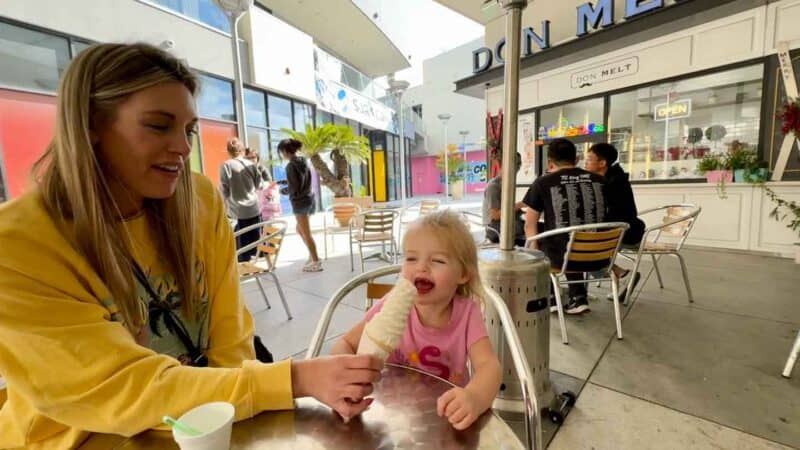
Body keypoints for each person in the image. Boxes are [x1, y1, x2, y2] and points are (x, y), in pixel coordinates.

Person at [0, 43, 381, 450]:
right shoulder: (19, 244)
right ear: (91, 124)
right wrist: (294, 378)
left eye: (188, 130)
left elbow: (230, 341)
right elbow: (121, 388)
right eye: (159, 126)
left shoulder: (197, 201)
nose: (183, 147)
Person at [332, 210, 502, 430]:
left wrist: (474, 397)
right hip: (389, 415)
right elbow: (346, 343)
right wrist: (341, 379)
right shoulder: (390, 304)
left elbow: (490, 366)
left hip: (445, 417)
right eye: (411, 258)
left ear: (463, 274)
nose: (421, 267)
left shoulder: (467, 314)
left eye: (438, 260)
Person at [523, 138, 606, 315]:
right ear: (576, 159)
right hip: (601, 255)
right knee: (572, 238)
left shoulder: (543, 182)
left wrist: (535, 252)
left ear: (549, 162)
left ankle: (551, 297)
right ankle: (578, 297)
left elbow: (530, 224)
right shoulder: (600, 180)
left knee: (547, 240)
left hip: (563, 257)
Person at [585, 143, 644, 302]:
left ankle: (620, 274)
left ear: (602, 163)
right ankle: (620, 275)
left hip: (626, 232)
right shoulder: (610, 178)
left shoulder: (611, 184)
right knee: (580, 243)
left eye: (589, 159)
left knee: (581, 247)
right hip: (621, 228)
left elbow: (606, 213)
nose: (586, 163)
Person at [277, 138, 322, 272]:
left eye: (281, 152)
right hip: (309, 200)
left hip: (300, 203)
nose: (281, 155)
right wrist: (285, 182)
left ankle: (316, 261)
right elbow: (300, 180)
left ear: (285, 151)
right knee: (300, 230)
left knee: (306, 233)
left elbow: (294, 187)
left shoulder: (290, 166)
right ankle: (312, 254)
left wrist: (283, 190)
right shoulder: (304, 162)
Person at [220, 138, 263, 262]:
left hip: (237, 213)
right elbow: (259, 185)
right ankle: (253, 267)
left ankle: (244, 269)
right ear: (242, 150)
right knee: (254, 245)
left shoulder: (226, 165)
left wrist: (223, 206)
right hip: (254, 210)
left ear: (228, 151)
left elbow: (224, 189)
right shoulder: (251, 165)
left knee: (241, 249)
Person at [482, 152, 527, 246]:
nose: (517, 167)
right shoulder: (494, 187)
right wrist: (519, 205)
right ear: (502, 165)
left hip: (508, 225)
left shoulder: (506, 184)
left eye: (519, 164)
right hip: (496, 230)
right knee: (535, 232)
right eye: (515, 163)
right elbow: (495, 215)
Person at [244, 147, 281, 221]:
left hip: (262, 204)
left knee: (266, 225)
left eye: (253, 157)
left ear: (257, 158)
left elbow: (269, 183)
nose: (251, 159)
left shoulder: (261, 169)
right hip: (249, 204)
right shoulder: (243, 170)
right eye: (248, 158)